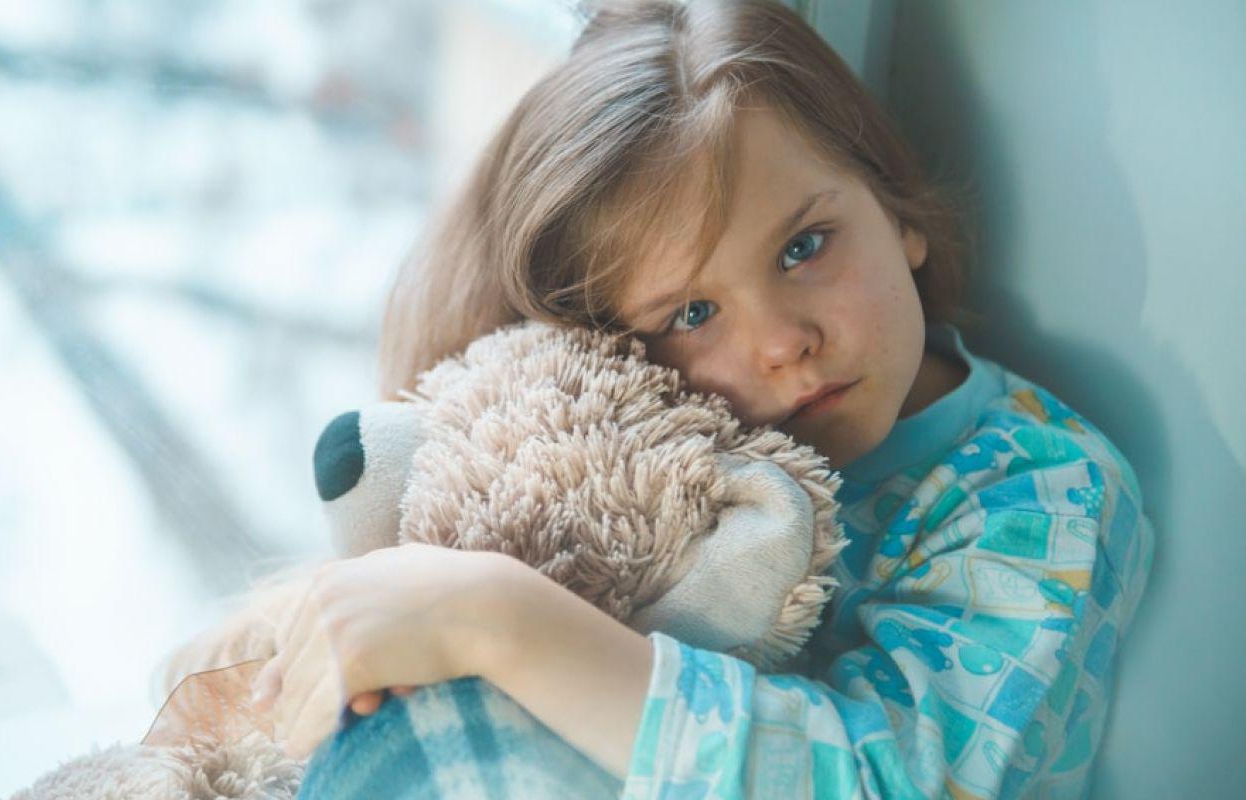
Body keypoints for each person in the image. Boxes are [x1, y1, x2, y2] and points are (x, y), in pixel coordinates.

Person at [246, 1, 1154, 796]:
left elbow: (893, 784)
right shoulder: (641, 460)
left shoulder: (1040, 490)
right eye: (691, 313)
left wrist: (500, 620)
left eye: (804, 247)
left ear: (898, 212)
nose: (780, 342)